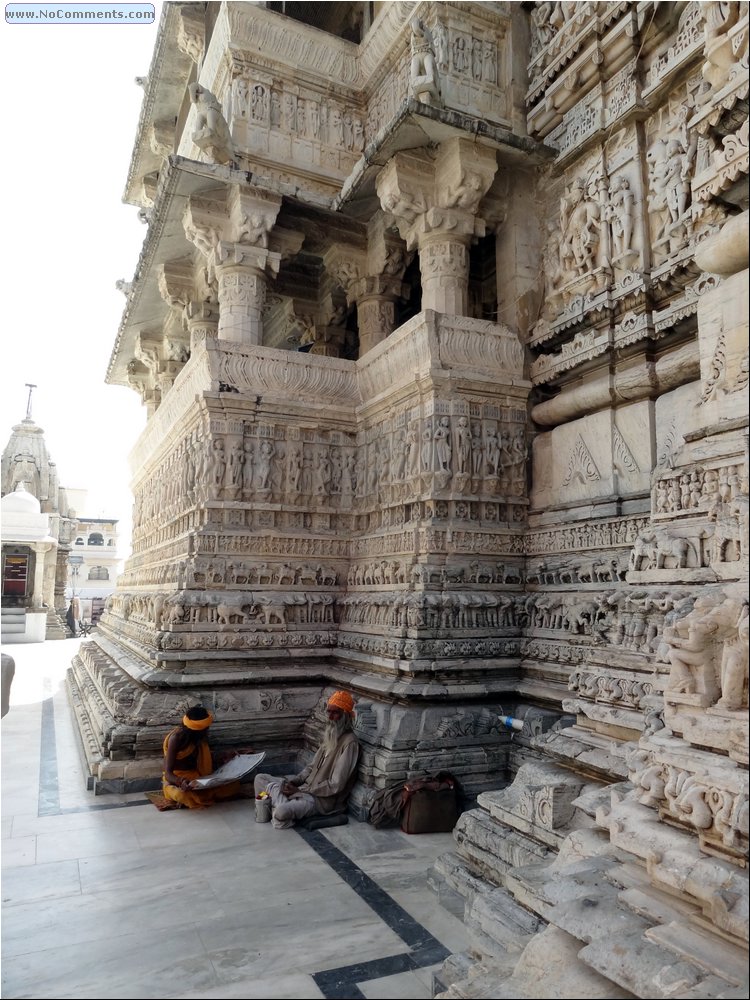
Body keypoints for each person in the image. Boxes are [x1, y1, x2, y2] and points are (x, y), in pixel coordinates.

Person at [254, 691, 359, 829]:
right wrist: (294, 782)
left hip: (319, 800)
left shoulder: (350, 743)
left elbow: (335, 784)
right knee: (260, 778)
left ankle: (279, 806)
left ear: (345, 716)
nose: (331, 717)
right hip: (303, 789)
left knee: (281, 812)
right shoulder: (330, 735)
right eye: (329, 712)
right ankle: (282, 803)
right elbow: (310, 767)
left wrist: (301, 791)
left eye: (335, 713)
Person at [162, 705, 242, 809]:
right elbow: (168, 773)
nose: (207, 731)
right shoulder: (176, 739)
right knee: (182, 795)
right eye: (205, 729)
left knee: (234, 786)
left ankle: (201, 795)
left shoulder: (198, 738)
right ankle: (191, 797)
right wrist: (181, 782)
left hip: (197, 778)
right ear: (197, 730)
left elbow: (206, 757)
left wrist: (227, 754)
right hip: (178, 781)